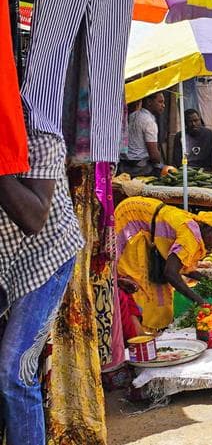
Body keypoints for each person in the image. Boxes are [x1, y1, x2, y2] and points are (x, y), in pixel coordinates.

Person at [0, 128, 83, 445]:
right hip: (6, 260)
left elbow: (34, 217)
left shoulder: (39, 132)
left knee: (15, 370)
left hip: (46, 259)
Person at [114, 197, 212, 330]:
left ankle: (158, 326)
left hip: (143, 217)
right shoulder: (190, 235)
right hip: (130, 216)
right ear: (209, 230)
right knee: (138, 281)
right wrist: (201, 302)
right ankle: (140, 330)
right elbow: (171, 273)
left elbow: (182, 266)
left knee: (159, 288)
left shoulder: (196, 228)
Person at [120, 92, 165, 177]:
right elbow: (154, 156)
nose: (163, 105)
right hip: (140, 168)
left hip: (124, 164)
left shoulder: (132, 116)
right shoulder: (149, 122)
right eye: (160, 102)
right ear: (149, 102)